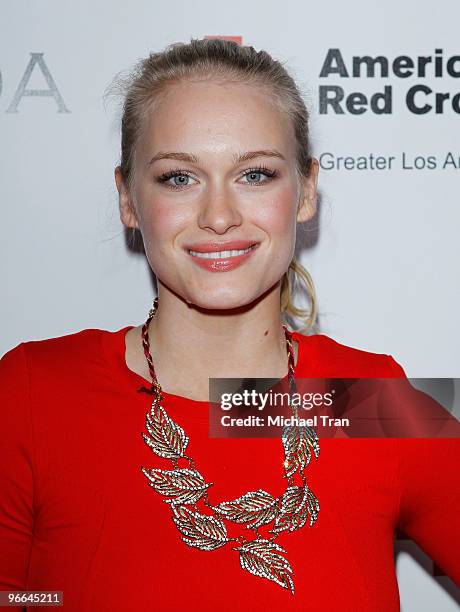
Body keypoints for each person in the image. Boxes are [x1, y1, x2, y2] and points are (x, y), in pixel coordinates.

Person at [0, 38, 459, 612]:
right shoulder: (34, 390)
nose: (219, 216)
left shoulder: (367, 399)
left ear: (307, 190)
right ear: (126, 198)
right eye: (178, 178)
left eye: (256, 174)